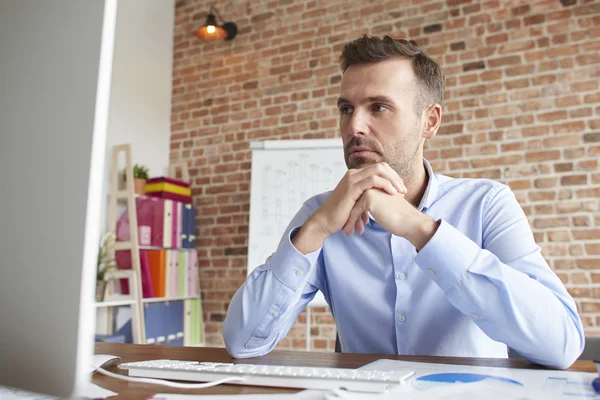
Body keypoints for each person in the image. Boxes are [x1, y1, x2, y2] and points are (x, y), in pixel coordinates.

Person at [222, 35, 584, 369]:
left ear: (430, 121)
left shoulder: (487, 204)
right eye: (346, 109)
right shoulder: (322, 213)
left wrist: (419, 229)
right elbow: (242, 341)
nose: (355, 127)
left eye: (378, 107)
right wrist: (316, 228)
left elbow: (562, 344)